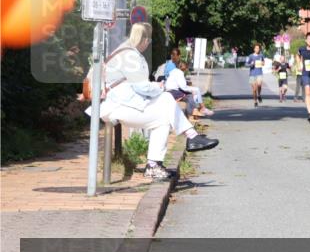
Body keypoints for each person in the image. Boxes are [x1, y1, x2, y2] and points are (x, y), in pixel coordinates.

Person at [84, 23, 219, 180]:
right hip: (119, 107)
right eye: (148, 40)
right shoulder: (130, 56)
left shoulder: (124, 51)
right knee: (166, 98)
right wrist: (159, 87)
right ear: (143, 39)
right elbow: (142, 87)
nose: (148, 44)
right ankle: (192, 137)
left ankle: (154, 165)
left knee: (163, 120)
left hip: (120, 104)